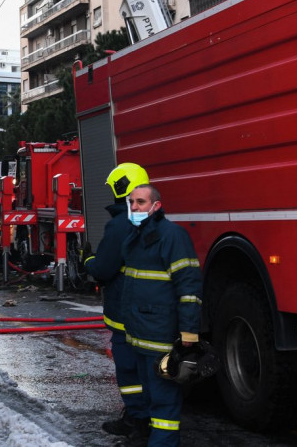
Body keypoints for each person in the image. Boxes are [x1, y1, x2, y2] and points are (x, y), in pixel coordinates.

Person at [120, 184, 202, 447]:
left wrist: (188, 332)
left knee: (164, 402)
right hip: (140, 335)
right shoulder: (136, 237)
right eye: (131, 202)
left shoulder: (172, 236)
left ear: (156, 205)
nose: (134, 207)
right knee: (151, 398)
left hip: (161, 336)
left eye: (141, 202)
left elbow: (189, 287)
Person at [84, 163, 151, 441]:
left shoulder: (120, 225)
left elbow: (104, 268)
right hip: (153, 312)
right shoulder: (156, 221)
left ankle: (138, 421)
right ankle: (149, 420)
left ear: (121, 190)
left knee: (128, 369)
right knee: (150, 369)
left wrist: (87, 260)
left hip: (126, 313)